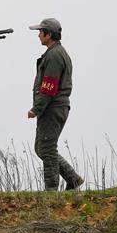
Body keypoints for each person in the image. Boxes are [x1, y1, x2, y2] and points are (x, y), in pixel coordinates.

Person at [27, 18, 83, 191]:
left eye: (40, 31)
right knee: (41, 148)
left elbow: (48, 87)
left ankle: (51, 190)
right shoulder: (55, 53)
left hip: (53, 108)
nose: (38, 35)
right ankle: (73, 179)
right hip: (53, 107)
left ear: (48, 34)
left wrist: (36, 109)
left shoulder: (54, 56)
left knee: (47, 148)